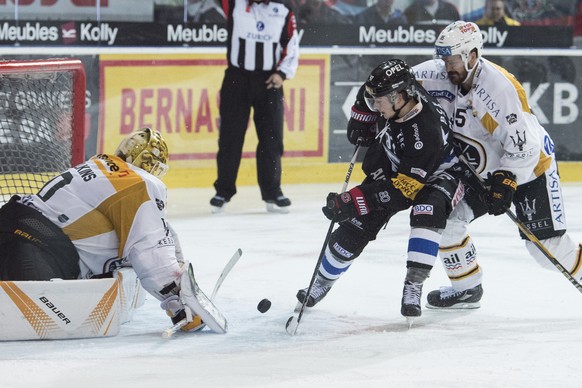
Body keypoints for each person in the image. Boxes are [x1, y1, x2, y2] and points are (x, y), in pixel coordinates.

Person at [413, 21, 582, 308]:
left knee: (546, 249)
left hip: (529, 170)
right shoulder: (439, 73)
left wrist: (506, 182)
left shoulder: (499, 89)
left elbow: (525, 146)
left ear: (472, 55)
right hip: (479, 172)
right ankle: (467, 288)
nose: (446, 65)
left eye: (452, 59)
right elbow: (398, 81)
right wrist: (364, 106)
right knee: (447, 221)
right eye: (443, 58)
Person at [296, 59, 463, 322]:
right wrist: (361, 118)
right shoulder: (399, 95)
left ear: (399, 97)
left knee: (427, 212)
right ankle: (323, 281)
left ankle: (413, 285)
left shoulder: (425, 133)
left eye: (380, 102)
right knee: (355, 226)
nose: (376, 106)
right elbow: (369, 91)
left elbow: (403, 191)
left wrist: (354, 199)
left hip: (436, 175)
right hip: (396, 167)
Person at [0, 128, 211, 332]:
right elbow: (150, 250)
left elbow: (161, 233)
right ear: (147, 162)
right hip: (35, 250)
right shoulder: (138, 182)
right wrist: (180, 304)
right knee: (40, 325)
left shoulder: (98, 167)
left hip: (11, 224)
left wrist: (181, 273)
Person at [211, 0, 300, 214]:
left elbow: (292, 43)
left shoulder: (284, 10)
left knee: (272, 139)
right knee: (230, 138)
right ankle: (223, 191)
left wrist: (282, 73)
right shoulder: (233, 3)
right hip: (237, 79)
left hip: (269, 81)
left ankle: (272, 192)